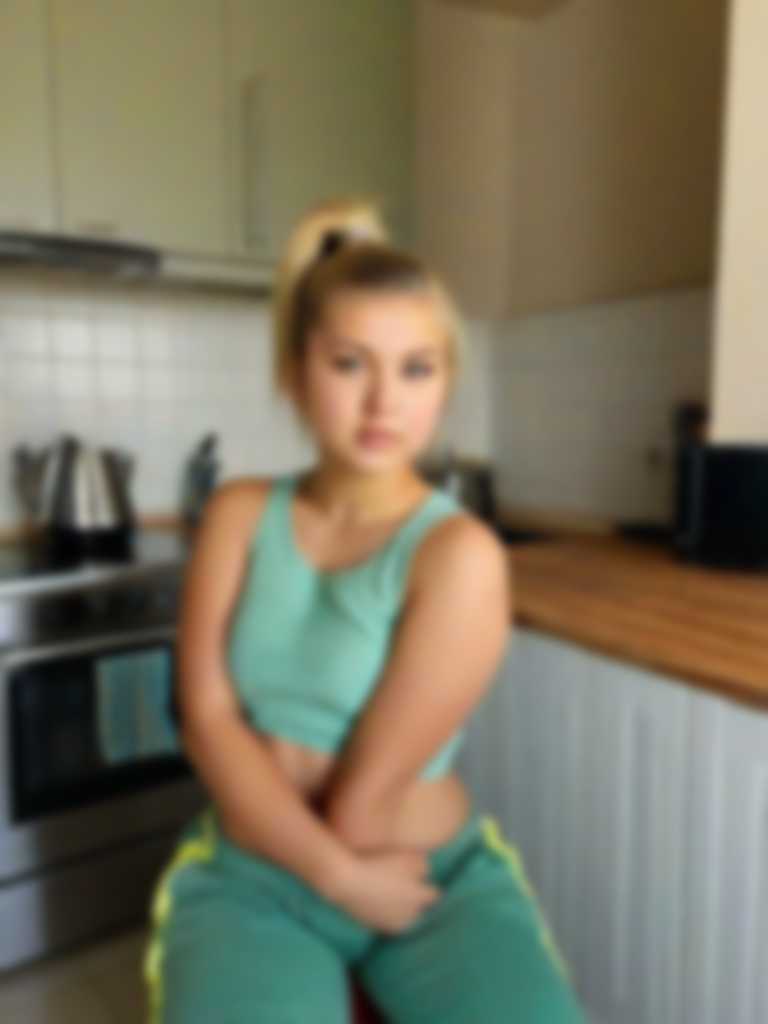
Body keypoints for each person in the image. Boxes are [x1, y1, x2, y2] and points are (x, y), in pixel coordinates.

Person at [142, 196, 588, 1023]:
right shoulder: (237, 515)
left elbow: (362, 802)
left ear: (445, 384)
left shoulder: (459, 555)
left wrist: (357, 876)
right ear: (295, 372)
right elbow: (205, 718)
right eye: (350, 364)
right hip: (253, 875)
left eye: (417, 369)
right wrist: (340, 879)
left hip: (428, 882)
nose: (385, 402)